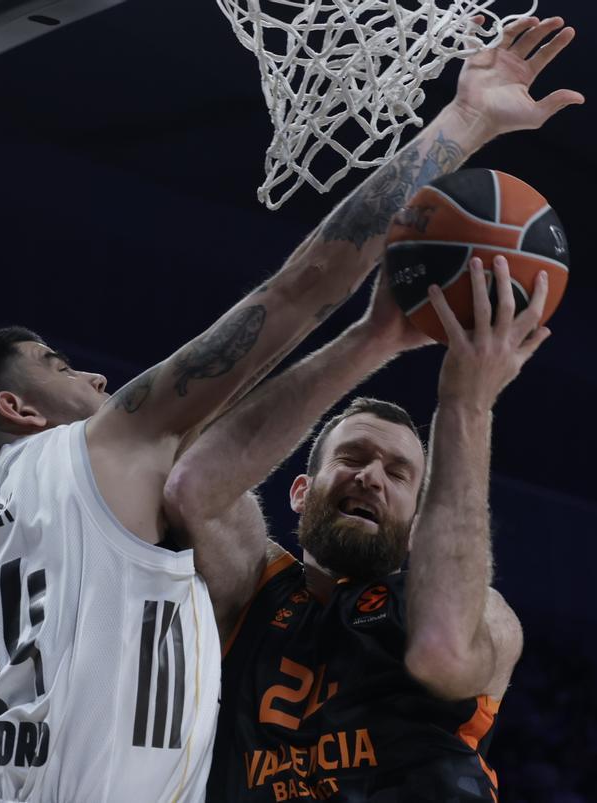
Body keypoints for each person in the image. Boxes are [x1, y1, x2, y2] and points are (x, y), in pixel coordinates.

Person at [0, 13, 579, 799]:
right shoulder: (106, 452)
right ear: (19, 408)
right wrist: (464, 121)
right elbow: (299, 290)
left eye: (400, 471)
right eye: (59, 365)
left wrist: (393, 354)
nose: (97, 380)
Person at [166, 248, 550, 800]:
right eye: (352, 458)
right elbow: (192, 487)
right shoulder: (255, 591)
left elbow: (443, 649)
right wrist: (372, 339)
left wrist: (467, 407)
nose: (371, 477)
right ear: (301, 493)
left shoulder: (485, 614)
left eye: (397, 473)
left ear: (419, 527)